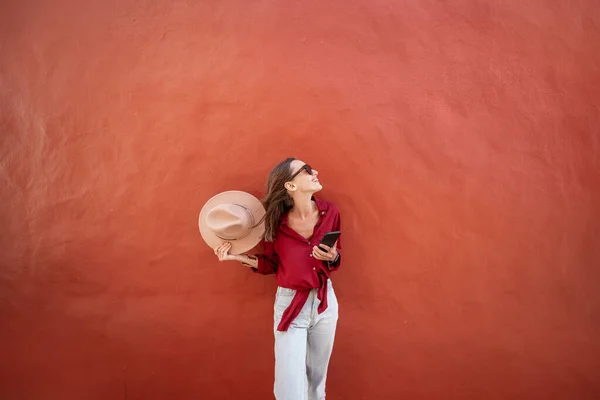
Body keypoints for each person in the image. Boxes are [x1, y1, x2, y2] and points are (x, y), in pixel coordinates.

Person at [214, 158, 342, 400]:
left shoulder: (330, 213)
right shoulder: (276, 223)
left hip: (325, 302)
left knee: (316, 383)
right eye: (305, 170)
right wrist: (237, 257)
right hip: (290, 305)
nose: (314, 171)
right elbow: (271, 264)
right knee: (289, 388)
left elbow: (336, 259)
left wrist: (333, 255)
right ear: (290, 186)